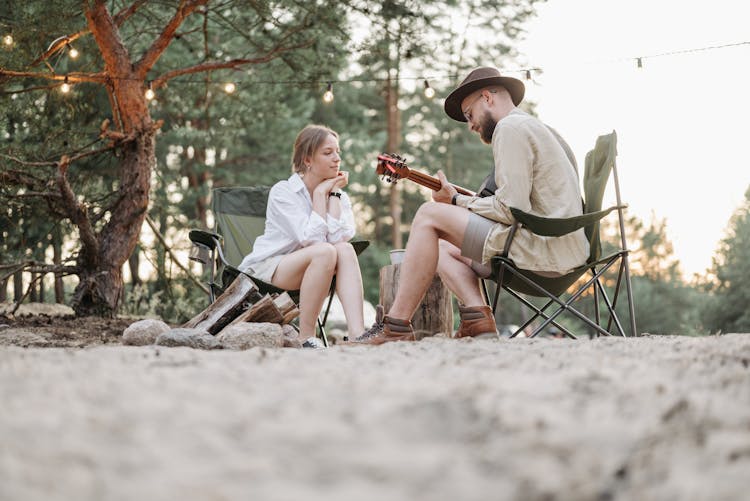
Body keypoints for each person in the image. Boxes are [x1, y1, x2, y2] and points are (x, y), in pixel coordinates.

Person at [356, 67, 589, 344]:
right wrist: (464, 202)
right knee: (441, 246)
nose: (470, 126)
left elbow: (510, 210)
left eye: (469, 115)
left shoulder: (509, 128)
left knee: (429, 214)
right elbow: (522, 204)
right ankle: (478, 317)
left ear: (487, 98)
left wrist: (455, 200)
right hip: (562, 249)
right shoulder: (535, 127)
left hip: (543, 253)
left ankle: (394, 326)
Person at [239, 124, 365, 348]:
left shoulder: (339, 195)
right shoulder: (284, 192)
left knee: (345, 249)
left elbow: (338, 241)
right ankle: (306, 336)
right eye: (328, 153)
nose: (337, 159)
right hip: (269, 271)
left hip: (316, 268)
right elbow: (313, 241)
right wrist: (319, 195)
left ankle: (358, 335)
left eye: (338, 152)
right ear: (307, 159)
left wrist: (332, 193)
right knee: (324, 251)